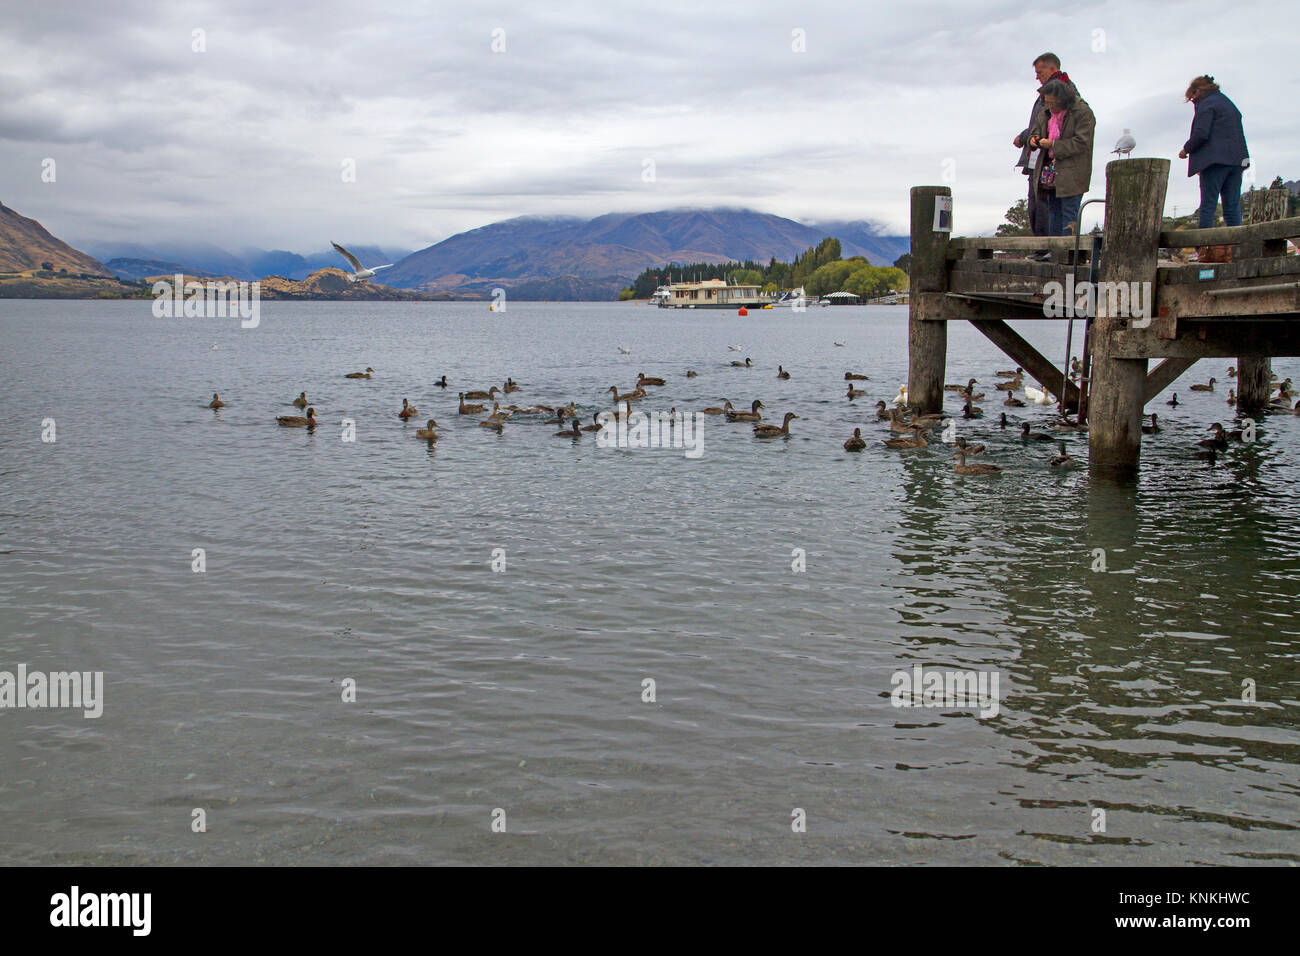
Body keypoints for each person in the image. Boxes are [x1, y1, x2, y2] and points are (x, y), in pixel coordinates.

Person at [1013, 53, 1077, 246]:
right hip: (1037, 156)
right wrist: (1028, 138)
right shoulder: (1045, 94)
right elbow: (1038, 123)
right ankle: (1044, 248)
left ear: (1052, 69)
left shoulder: (1064, 92)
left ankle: (1051, 249)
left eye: (1039, 72)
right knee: (1037, 207)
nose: (1036, 76)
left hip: (1051, 159)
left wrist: (1025, 137)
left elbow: (1048, 123)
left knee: (1049, 208)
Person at [1029, 78, 1096, 247]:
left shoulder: (1082, 111)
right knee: (1053, 212)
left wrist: (1053, 145)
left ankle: (1068, 254)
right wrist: (1034, 140)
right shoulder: (1046, 112)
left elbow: (1082, 143)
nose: (1050, 107)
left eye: (1053, 103)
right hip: (1050, 172)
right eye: (1047, 103)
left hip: (1072, 173)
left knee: (1069, 214)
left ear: (1063, 99)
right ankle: (1055, 251)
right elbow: (1035, 131)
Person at [1178, 76, 1249, 231]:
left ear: (1198, 91)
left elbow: (1201, 134)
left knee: (1208, 206)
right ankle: (1235, 247)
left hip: (1215, 162)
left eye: (1192, 97)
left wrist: (1186, 150)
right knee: (1232, 207)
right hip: (1237, 160)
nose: (1193, 100)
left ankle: (1205, 249)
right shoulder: (1227, 103)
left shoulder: (1207, 104)